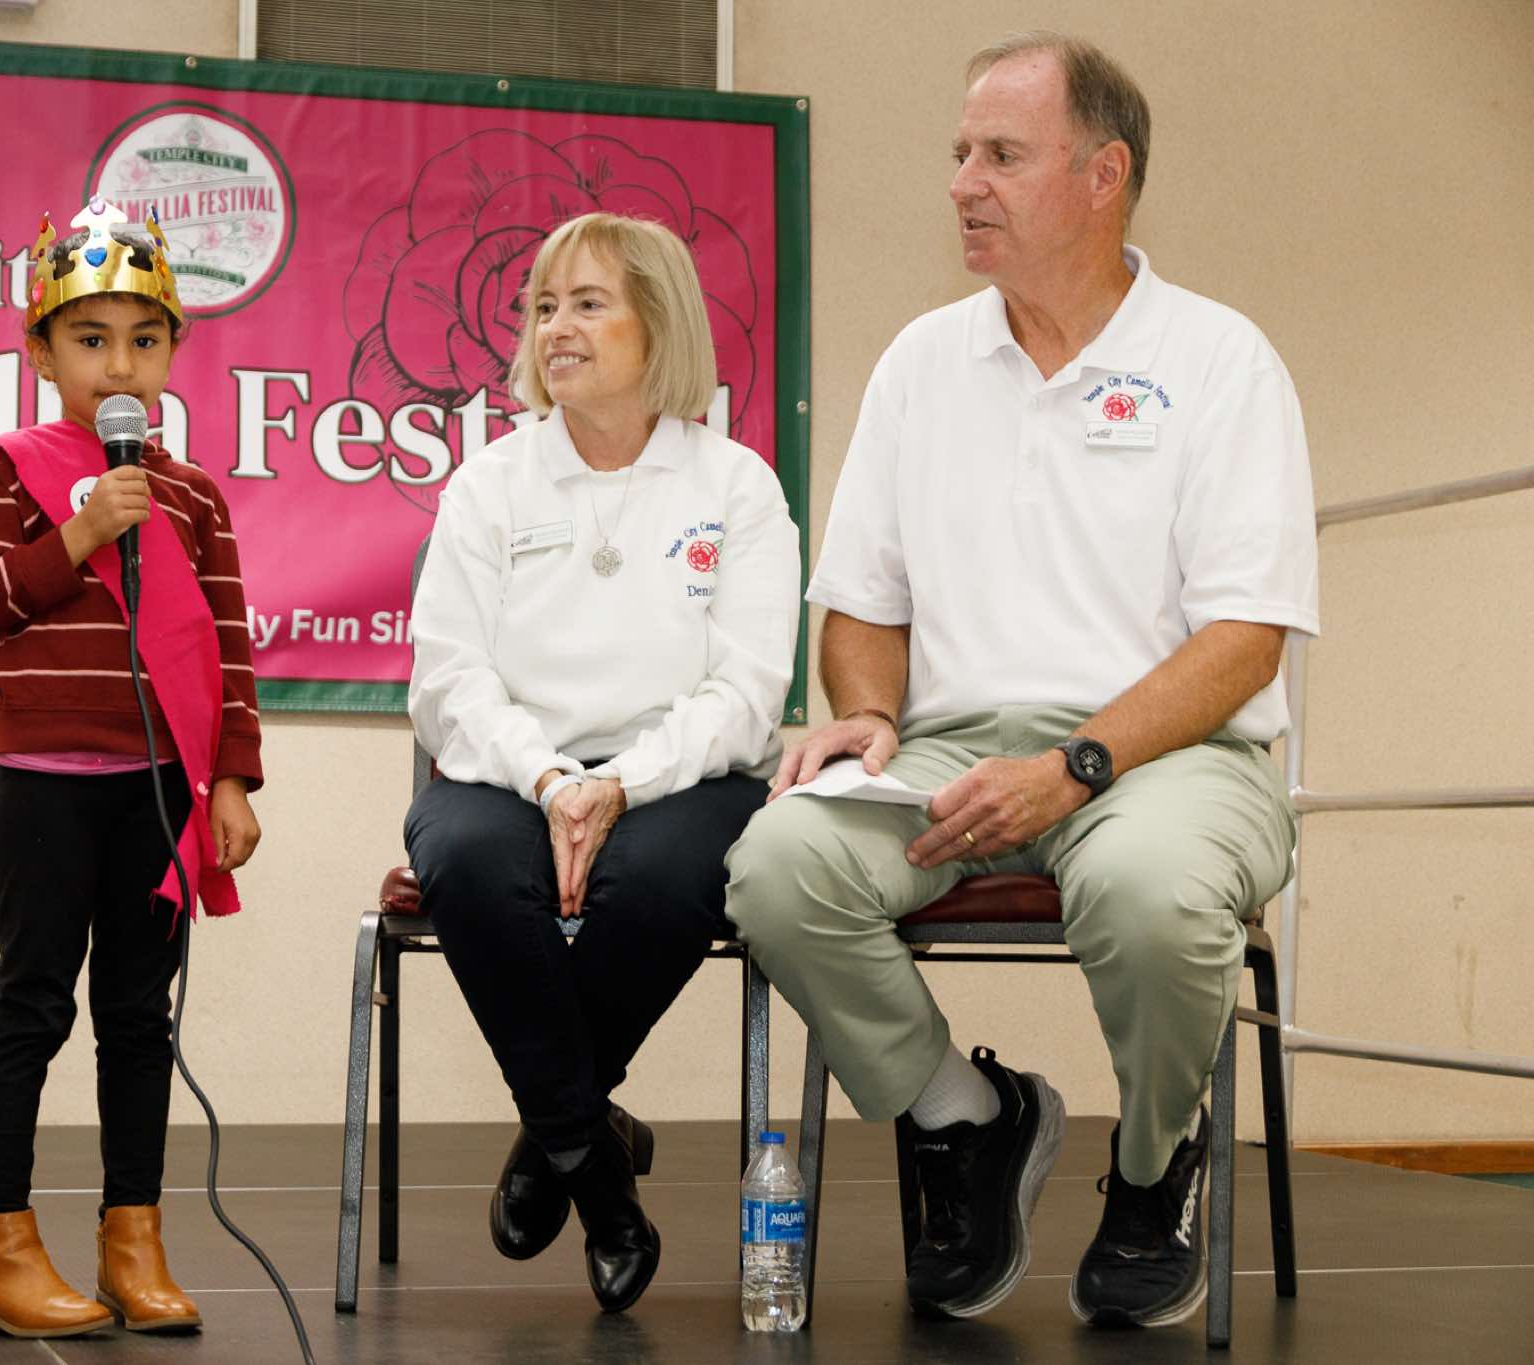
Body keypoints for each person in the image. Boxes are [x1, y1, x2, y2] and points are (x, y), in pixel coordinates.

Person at [726, 33, 1318, 1332]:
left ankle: (1153, 1171)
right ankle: (967, 1118)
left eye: (1000, 154)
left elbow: (1243, 641)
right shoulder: (921, 362)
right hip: (947, 750)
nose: (962, 183)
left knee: (1151, 893)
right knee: (777, 865)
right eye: (958, 154)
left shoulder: (1219, 362)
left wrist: (1071, 768)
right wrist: (865, 712)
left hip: (1168, 756)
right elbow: (862, 604)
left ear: (1103, 176)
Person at [404, 212, 800, 1313]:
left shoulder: (736, 486)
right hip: (509, 776)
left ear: (658, 323)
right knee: (470, 864)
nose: (555, 328)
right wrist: (550, 781)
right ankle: (599, 1175)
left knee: (665, 879)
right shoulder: (490, 484)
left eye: (586, 303)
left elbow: (746, 692)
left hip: (683, 778)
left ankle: (554, 1132)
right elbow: (447, 681)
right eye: (543, 307)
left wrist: (623, 783)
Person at [0, 199, 263, 1338]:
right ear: (39, 352)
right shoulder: (10, 468)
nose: (118, 364)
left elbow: (227, 646)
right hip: (45, 785)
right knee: (33, 1004)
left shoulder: (193, 495)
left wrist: (229, 780)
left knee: (137, 1017)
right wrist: (77, 536)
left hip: (158, 789)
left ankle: (134, 1237)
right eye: (89, 339)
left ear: (173, 350)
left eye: (143, 339)